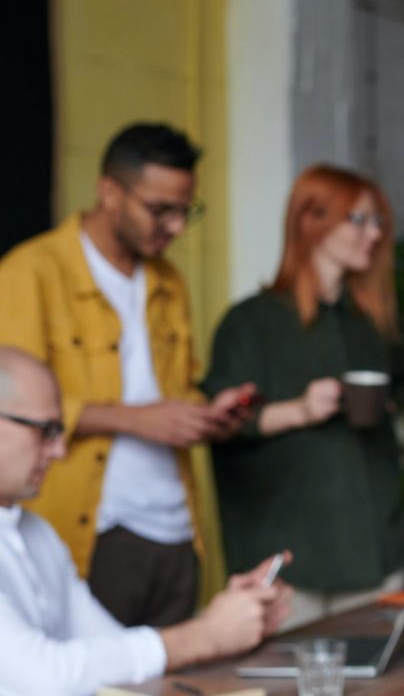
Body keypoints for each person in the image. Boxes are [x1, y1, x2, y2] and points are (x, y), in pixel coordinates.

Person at [0, 123, 257, 628]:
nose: (177, 227)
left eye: (186, 211)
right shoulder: (30, 272)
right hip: (93, 532)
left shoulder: (169, 281)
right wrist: (137, 420)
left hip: (177, 530)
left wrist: (206, 416)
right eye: (161, 210)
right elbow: (14, 409)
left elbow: (173, 390)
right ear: (110, 193)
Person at [0, 347, 292, 696]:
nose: (60, 450)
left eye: (60, 431)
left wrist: (229, 623)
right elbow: (41, 679)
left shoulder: (37, 535)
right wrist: (204, 637)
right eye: (45, 430)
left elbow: (116, 648)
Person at [201, 165, 404, 630]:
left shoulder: (374, 321)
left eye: (377, 221)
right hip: (293, 559)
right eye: (358, 220)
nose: (374, 234)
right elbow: (220, 422)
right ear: (310, 221)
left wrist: (385, 404)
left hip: (377, 546)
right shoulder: (251, 322)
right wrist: (300, 409)